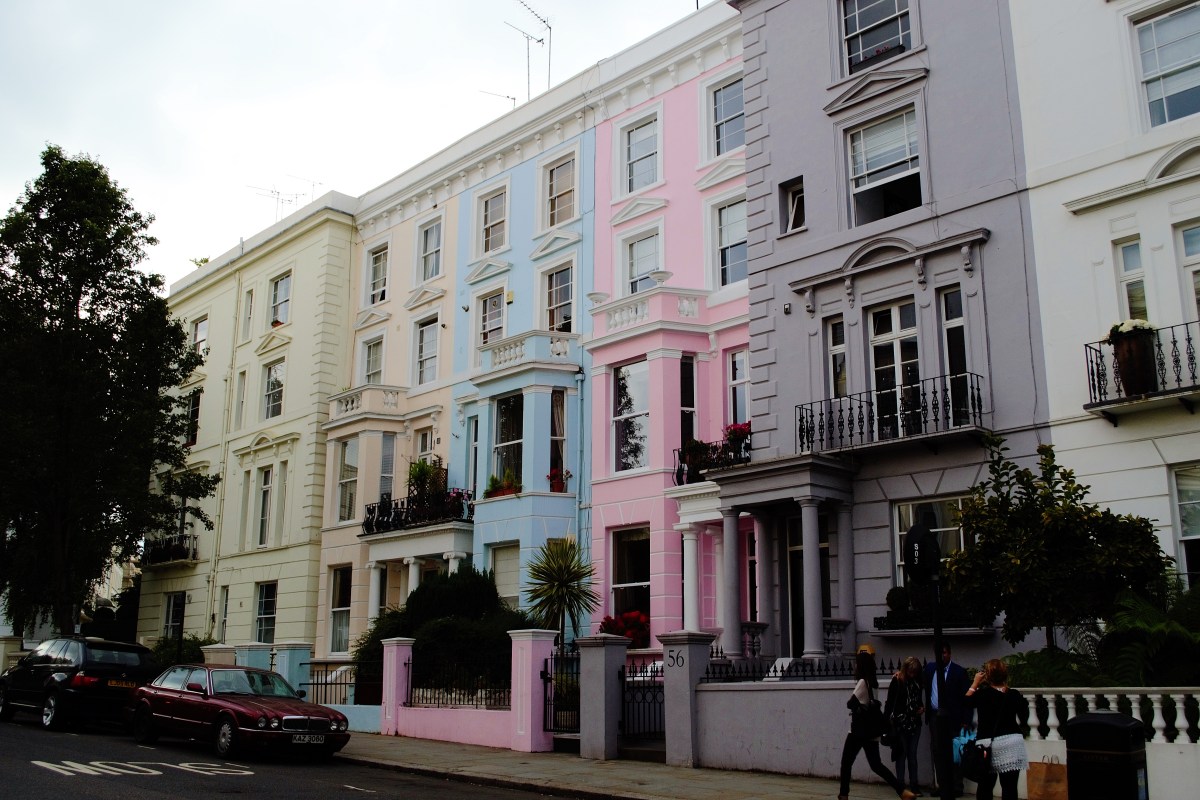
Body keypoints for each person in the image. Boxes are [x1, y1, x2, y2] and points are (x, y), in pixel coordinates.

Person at [838, 644, 917, 800]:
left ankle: (843, 795)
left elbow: (851, 703)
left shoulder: (862, 682)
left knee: (846, 763)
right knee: (877, 765)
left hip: (857, 732)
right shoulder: (873, 684)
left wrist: (857, 709)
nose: (854, 666)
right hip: (871, 732)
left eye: (856, 663)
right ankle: (902, 791)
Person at [964, 659, 1028, 800]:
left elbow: (966, 702)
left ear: (988, 676)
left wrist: (975, 683)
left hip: (988, 743)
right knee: (1010, 787)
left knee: (985, 786)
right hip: (1012, 742)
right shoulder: (1014, 694)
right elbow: (1024, 716)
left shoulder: (983, 694)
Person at [924, 643, 970, 799]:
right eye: (939, 653)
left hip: (953, 717)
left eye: (944, 653)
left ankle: (957, 785)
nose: (941, 656)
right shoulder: (930, 669)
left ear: (949, 654)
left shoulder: (959, 672)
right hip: (935, 716)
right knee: (937, 751)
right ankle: (942, 785)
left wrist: (965, 719)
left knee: (955, 751)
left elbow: (966, 698)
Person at [885, 656, 925, 797]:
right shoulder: (898, 681)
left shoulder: (918, 681)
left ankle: (914, 785)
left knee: (912, 755)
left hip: (914, 721)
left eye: (914, 672)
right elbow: (890, 702)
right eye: (910, 672)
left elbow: (918, 699)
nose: (912, 675)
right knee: (902, 755)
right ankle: (900, 785)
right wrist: (886, 722)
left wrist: (921, 708)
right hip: (901, 722)